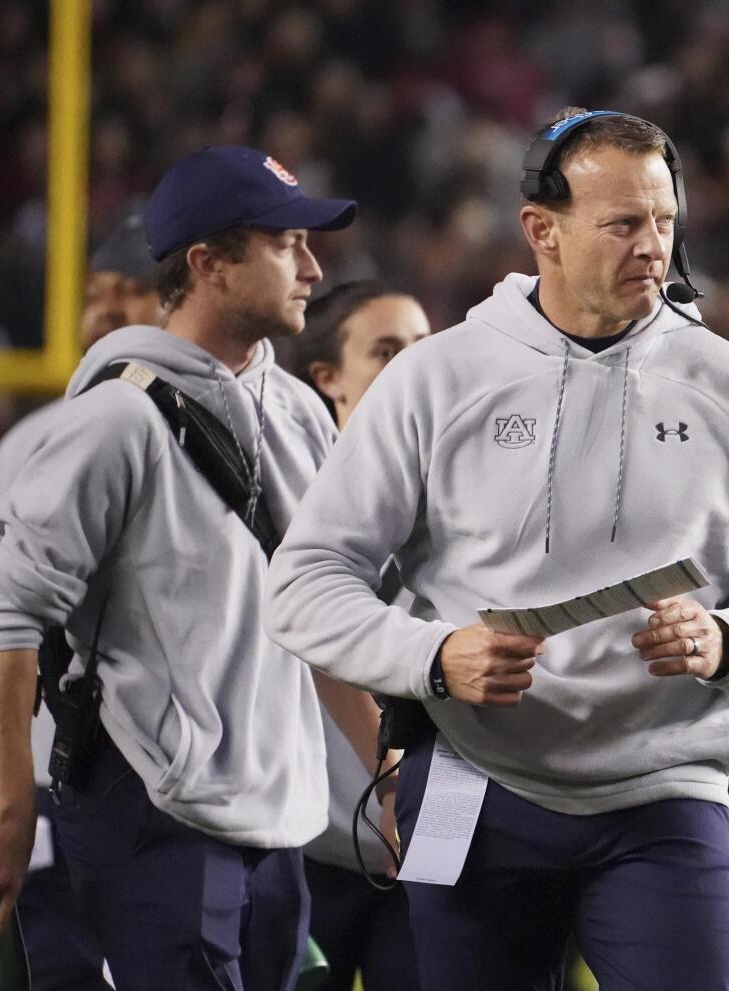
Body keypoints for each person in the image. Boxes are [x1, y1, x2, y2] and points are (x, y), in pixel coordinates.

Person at [263, 107, 729, 991]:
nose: (652, 245)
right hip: (471, 774)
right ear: (542, 231)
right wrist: (434, 655)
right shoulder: (437, 378)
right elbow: (303, 583)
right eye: (622, 223)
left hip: (663, 790)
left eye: (665, 220)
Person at [0, 146, 387, 991]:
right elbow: (4, 612)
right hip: (153, 810)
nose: (314, 265)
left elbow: (318, 611)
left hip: (276, 815)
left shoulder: (298, 413)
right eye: (287, 243)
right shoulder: (114, 420)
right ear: (208, 262)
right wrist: (9, 806)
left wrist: (382, 768)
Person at [0, 208, 160, 990]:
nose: (102, 311)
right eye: (96, 292)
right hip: (52, 774)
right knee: (61, 972)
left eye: (128, 291)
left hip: (187, 785)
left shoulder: (240, 427)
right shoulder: (36, 438)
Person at [276, 279, 431, 991]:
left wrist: (443, 829)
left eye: (425, 348)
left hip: (433, 844)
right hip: (302, 847)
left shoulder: (479, 493)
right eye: (387, 350)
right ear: (327, 379)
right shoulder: (285, 500)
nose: (414, 366)